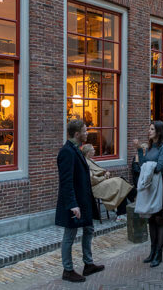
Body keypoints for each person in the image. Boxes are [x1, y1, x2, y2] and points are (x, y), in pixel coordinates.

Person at [55, 119, 104, 283]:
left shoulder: (77, 149)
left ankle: (88, 264)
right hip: (75, 202)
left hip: (84, 200)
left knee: (89, 229)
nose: (87, 133)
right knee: (70, 235)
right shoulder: (66, 152)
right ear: (77, 134)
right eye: (85, 131)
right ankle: (67, 270)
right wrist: (72, 204)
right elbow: (66, 181)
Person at [133, 121, 163, 268]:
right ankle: (152, 251)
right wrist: (138, 150)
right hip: (149, 186)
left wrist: (148, 167)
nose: (149, 131)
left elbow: (159, 167)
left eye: (152, 129)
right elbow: (143, 165)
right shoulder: (149, 147)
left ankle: (159, 253)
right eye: (149, 129)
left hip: (160, 186)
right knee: (151, 219)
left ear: (159, 132)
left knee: (160, 219)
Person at [81, 144, 135, 222]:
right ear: (88, 152)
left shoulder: (90, 160)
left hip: (100, 183)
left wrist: (105, 175)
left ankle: (123, 212)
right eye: (93, 149)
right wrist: (105, 176)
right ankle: (135, 197)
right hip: (96, 187)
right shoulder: (86, 162)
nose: (94, 150)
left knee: (121, 183)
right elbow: (91, 179)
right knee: (119, 182)